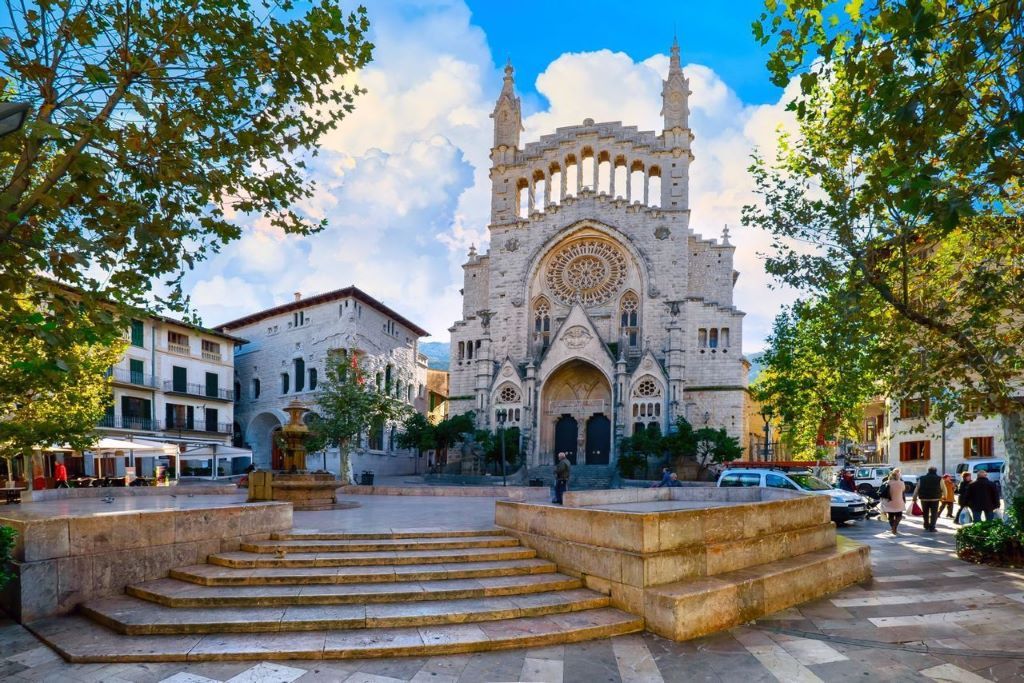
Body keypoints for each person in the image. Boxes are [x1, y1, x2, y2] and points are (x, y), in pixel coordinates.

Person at [913, 466, 942, 532]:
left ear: (928, 471)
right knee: (934, 513)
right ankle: (932, 527)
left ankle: (926, 525)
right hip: (935, 499)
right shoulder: (939, 478)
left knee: (925, 512)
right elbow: (943, 488)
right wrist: (945, 496)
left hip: (924, 498)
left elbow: (917, 488)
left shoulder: (922, 478)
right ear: (935, 471)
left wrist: (914, 497)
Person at [879, 468, 907, 535]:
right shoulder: (901, 483)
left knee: (891, 516)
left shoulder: (887, 483)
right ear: (898, 476)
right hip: (898, 502)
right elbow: (903, 490)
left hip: (889, 502)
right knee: (899, 516)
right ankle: (895, 527)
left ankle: (893, 528)